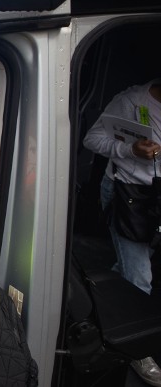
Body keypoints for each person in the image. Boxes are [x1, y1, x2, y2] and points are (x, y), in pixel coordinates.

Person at [83, 79, 161, 387]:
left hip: (157, 197)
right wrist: (129, 149)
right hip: (130, 195)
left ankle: (100, 301)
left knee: (133, 263)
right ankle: (135, 350)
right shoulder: (133, 101)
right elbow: (93, 138)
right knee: (140, 277)